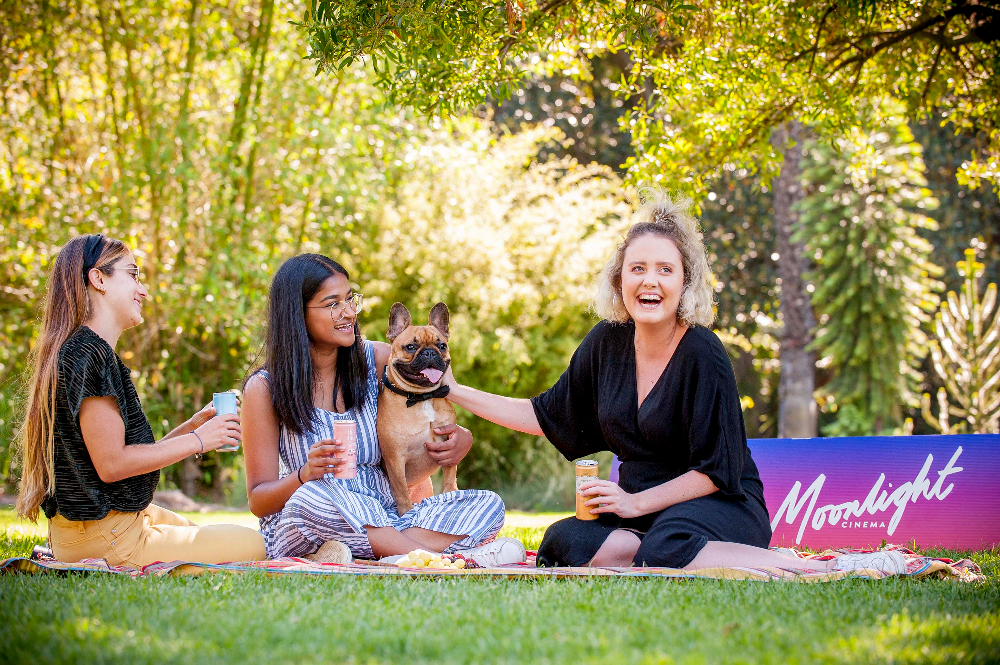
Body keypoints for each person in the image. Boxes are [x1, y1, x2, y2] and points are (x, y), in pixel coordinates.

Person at [441, 192, 909, 575]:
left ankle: (802, 569)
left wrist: (632, 502)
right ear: (619, 279)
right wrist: (452, 389)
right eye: (638, 268)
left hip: (720, 503)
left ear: (685, 282)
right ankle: (638, 552)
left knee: (666, 544)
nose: (650, 281)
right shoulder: (606, 343)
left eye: (665, 269)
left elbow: (716, 471)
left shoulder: (704, 353)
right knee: (563, 538)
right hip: (640, 512)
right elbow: (544, 415)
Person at [241, 253, 525, 566]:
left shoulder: (377, 361)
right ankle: (439, 558)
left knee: (487, 503)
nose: (349, 312)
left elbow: (436, 401)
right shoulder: (265, 388)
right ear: (296, 313)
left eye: (350, 299)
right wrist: (304, 474)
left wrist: (462, 439)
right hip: (312, 515)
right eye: (333, 303)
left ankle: (373, 553)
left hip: (385, 512)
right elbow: (259, 500)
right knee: (314, 496)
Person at [15, 234, 265, 566]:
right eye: (132, 274)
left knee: (216, 534)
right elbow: (112, 465)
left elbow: (124, 462)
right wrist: (198, 441)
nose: (143, 290)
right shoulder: (89, 353)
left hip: (107, 527)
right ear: (99, 278)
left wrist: (191, 428)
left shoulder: (86, 350)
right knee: (253, 544)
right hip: (108, 538)